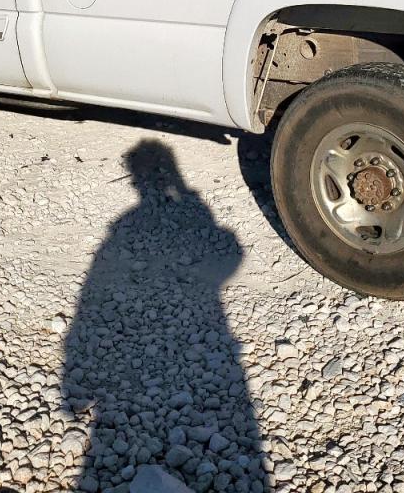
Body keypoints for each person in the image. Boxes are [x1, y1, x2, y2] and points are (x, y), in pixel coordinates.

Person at [61, 139, 267, 492]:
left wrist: (72, 387)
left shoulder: (123, 227)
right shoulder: (193, 211)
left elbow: (88, 297)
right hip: (219, 343)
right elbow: (232, 253)